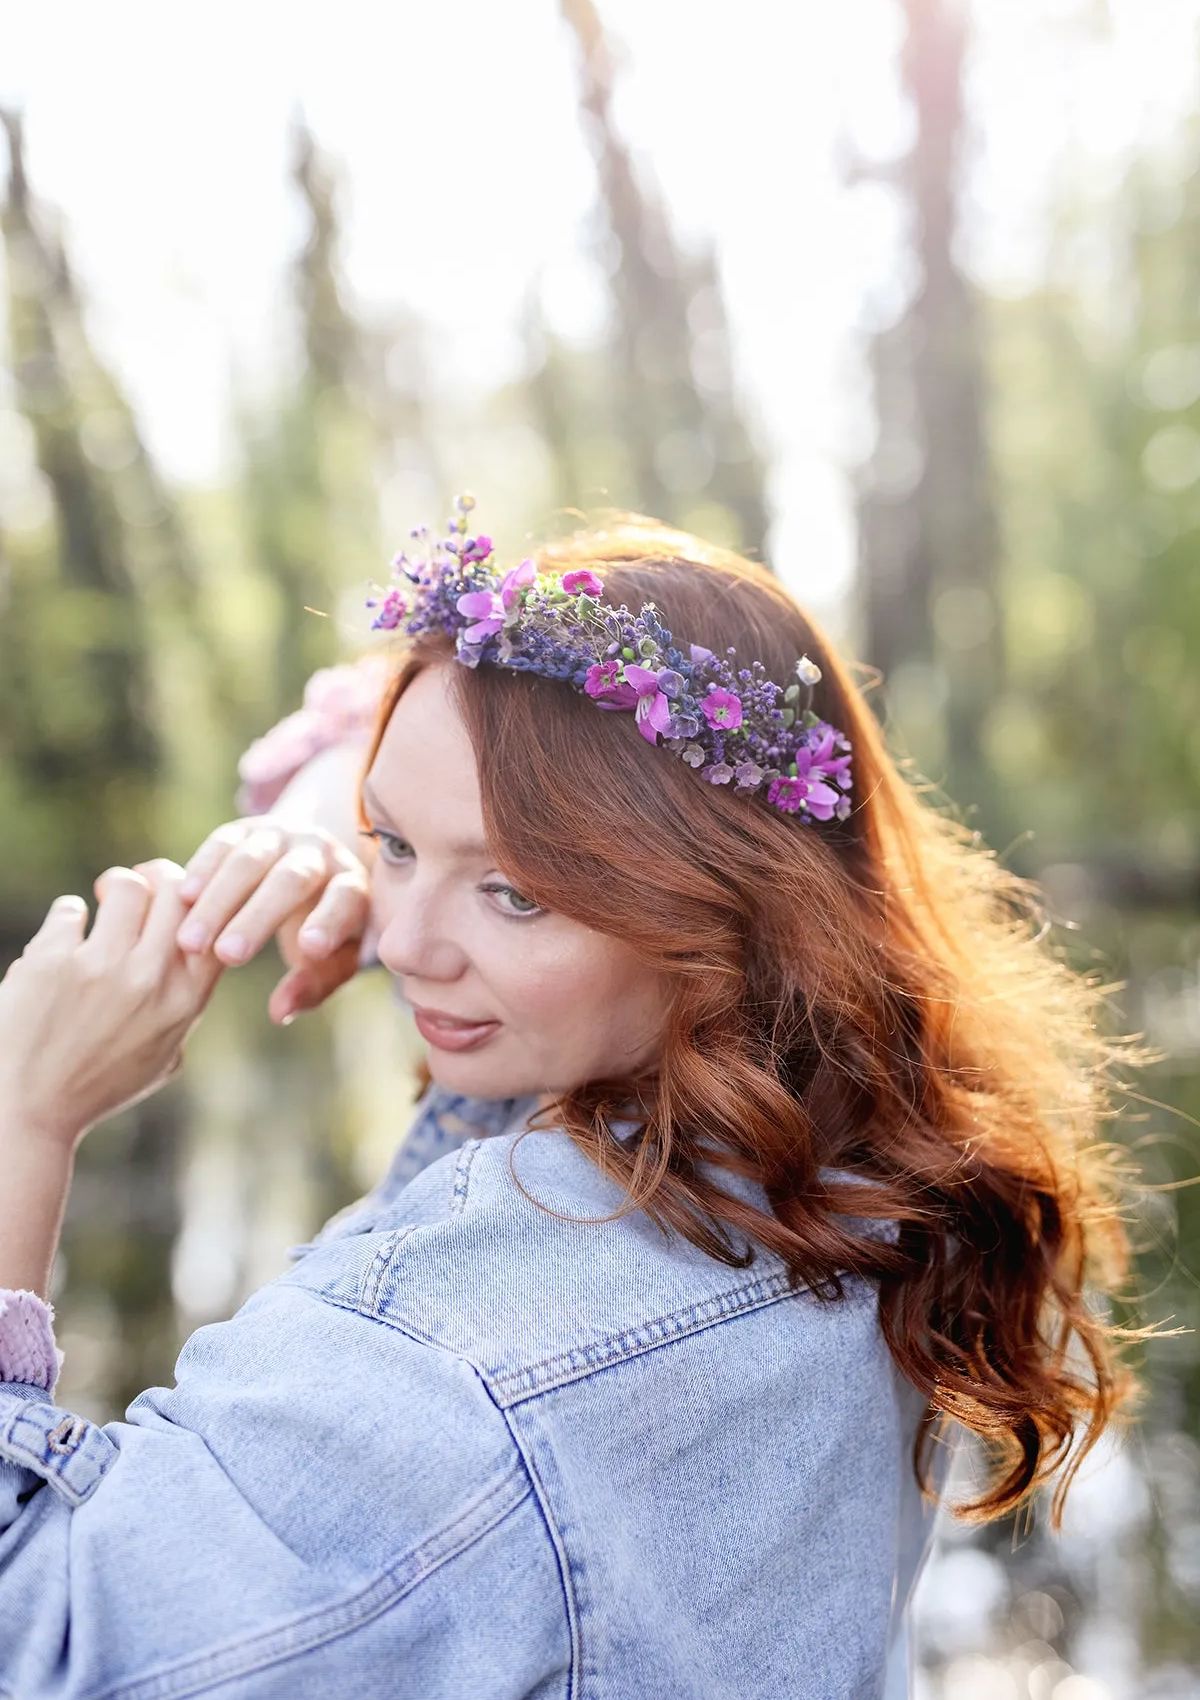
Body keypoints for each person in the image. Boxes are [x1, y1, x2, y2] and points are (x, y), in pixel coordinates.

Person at [0, 504, 1139, 1699]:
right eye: (392, 844)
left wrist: (25, 1118)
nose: (403, 941)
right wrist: (328, 843)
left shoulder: (460, 1352)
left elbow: (38, 1640)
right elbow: (372, 731)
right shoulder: (826, 1148)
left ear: (714, 906)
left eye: (514, 895)